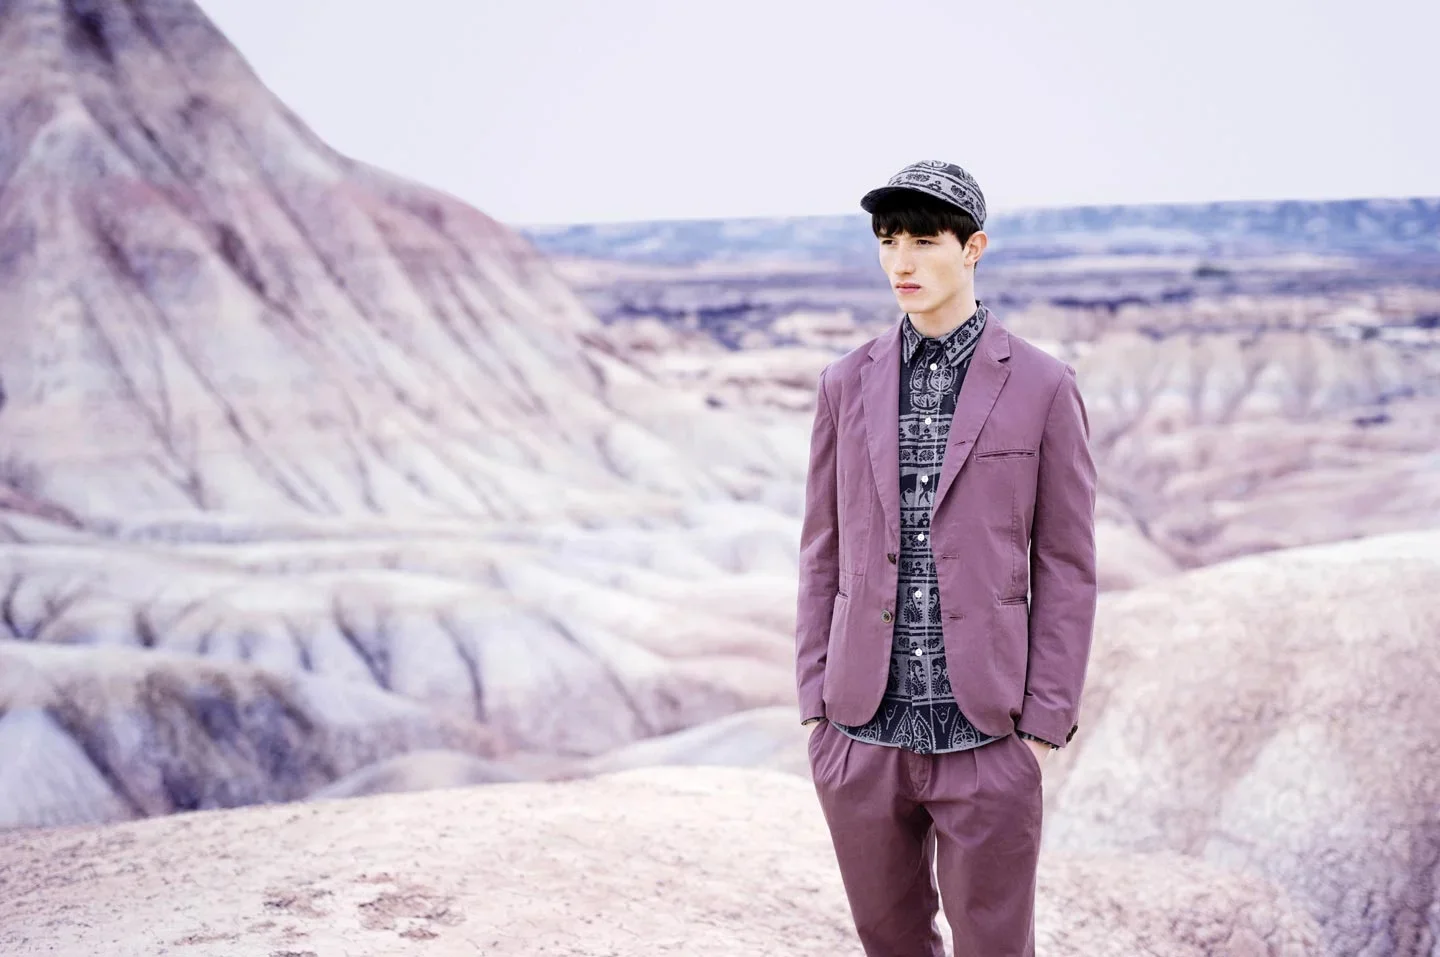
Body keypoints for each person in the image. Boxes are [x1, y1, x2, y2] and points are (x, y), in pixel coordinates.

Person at [794, 160, 1098, 956]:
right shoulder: (844, 384)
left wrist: (1041, 728)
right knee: (888, 942)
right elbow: (822, 548)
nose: (901, 261)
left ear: (973, 249)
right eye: (888, 240)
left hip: (986, 736)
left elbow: (1067, 563)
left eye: (924, 241)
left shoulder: (1043, 385)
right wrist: (816, 707)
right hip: (862, 731)